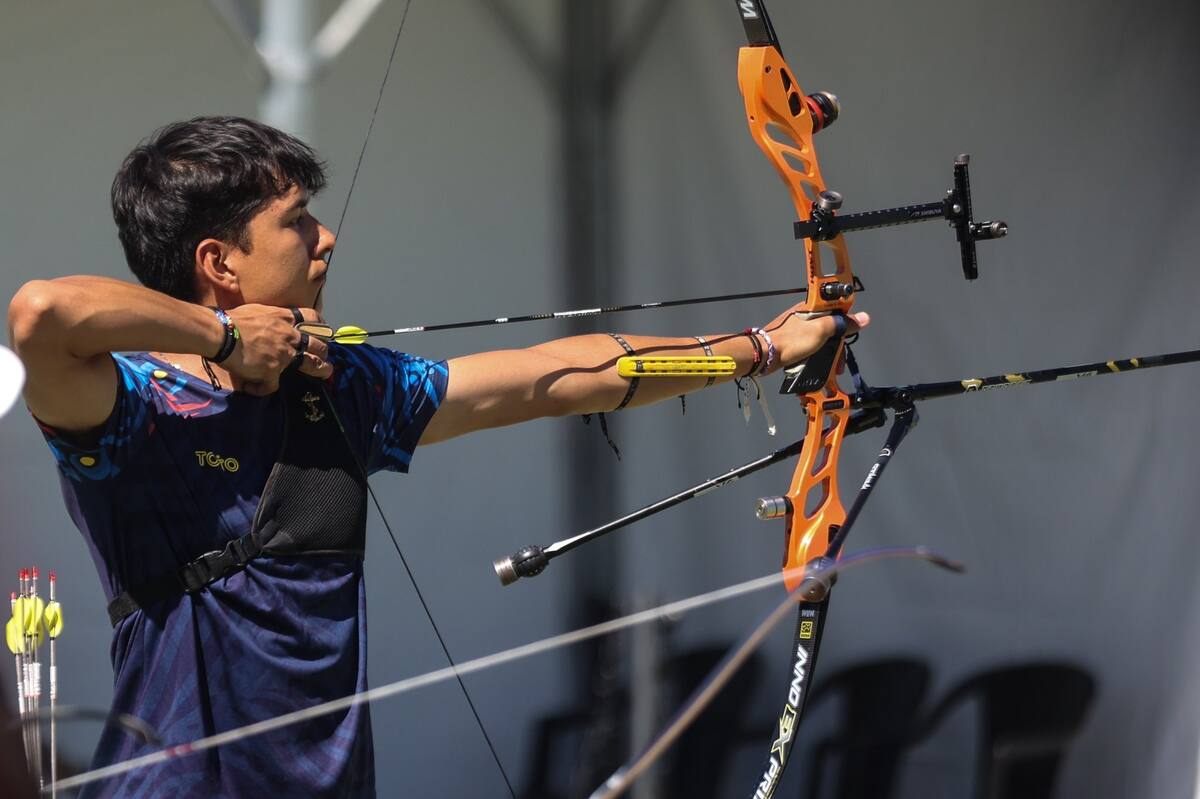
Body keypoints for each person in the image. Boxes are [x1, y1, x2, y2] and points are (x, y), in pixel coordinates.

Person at [5, 116, 868, 798]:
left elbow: (554, 378)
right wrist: (223, 338)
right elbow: (42, 313)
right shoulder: (130, 410)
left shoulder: (340, 387)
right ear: (218, 263)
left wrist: (757, 348)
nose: (327, 237)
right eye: (295, 220)